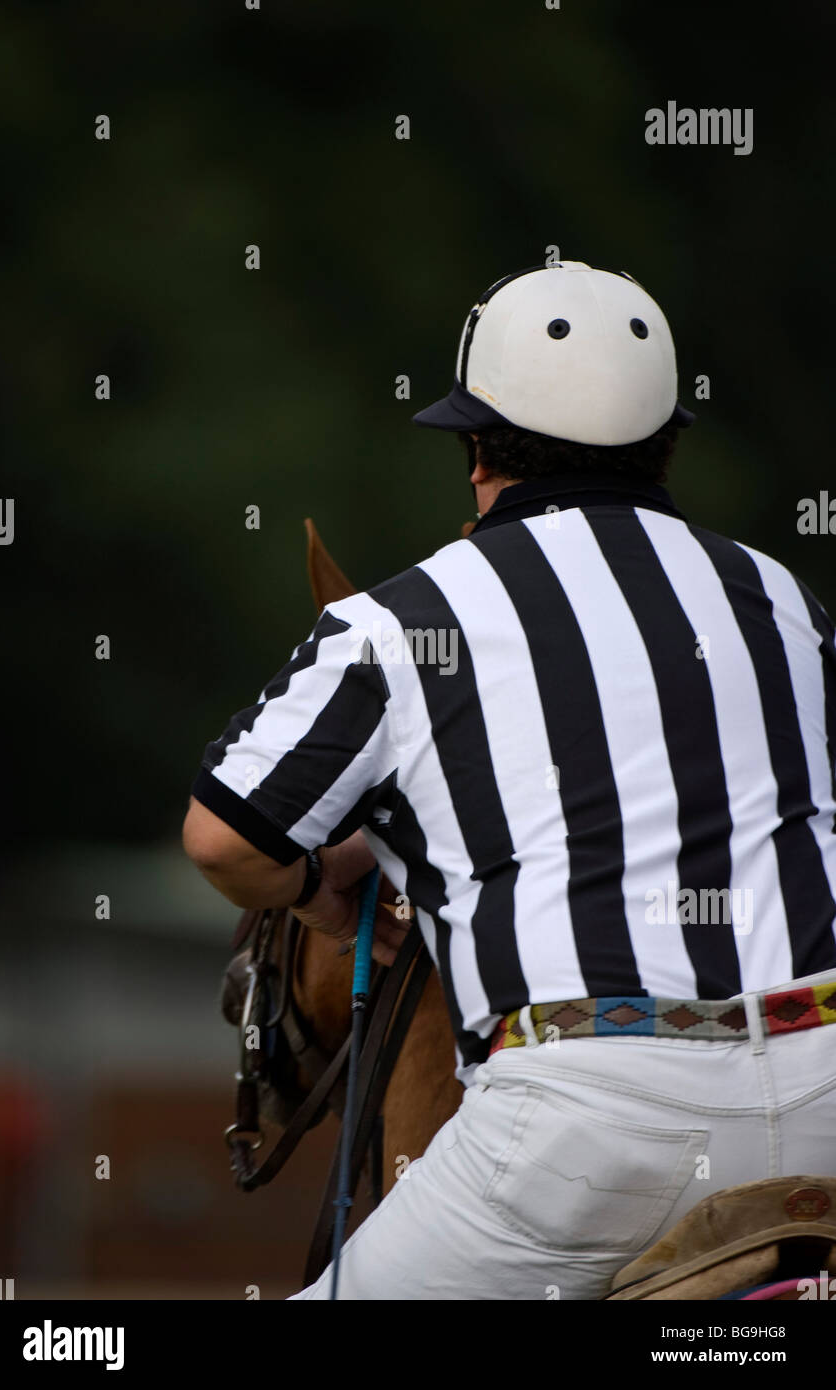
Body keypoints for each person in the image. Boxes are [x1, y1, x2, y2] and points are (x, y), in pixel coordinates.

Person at [183, 262, 836, 1300]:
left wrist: (319, 892)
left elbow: (222, 839)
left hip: (593, 1121)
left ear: (476, 448)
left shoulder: (400, 619)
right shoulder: (779, 598)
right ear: (664, 442)